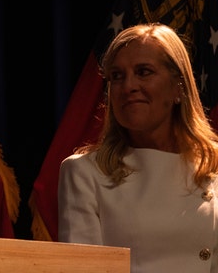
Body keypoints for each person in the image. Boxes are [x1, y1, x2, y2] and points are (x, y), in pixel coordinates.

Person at [57, 23, 218, 272]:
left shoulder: (214, 165)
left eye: (143, 72)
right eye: (117, 76)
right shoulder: (84, 173)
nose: (128, 86)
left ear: (179, 87)